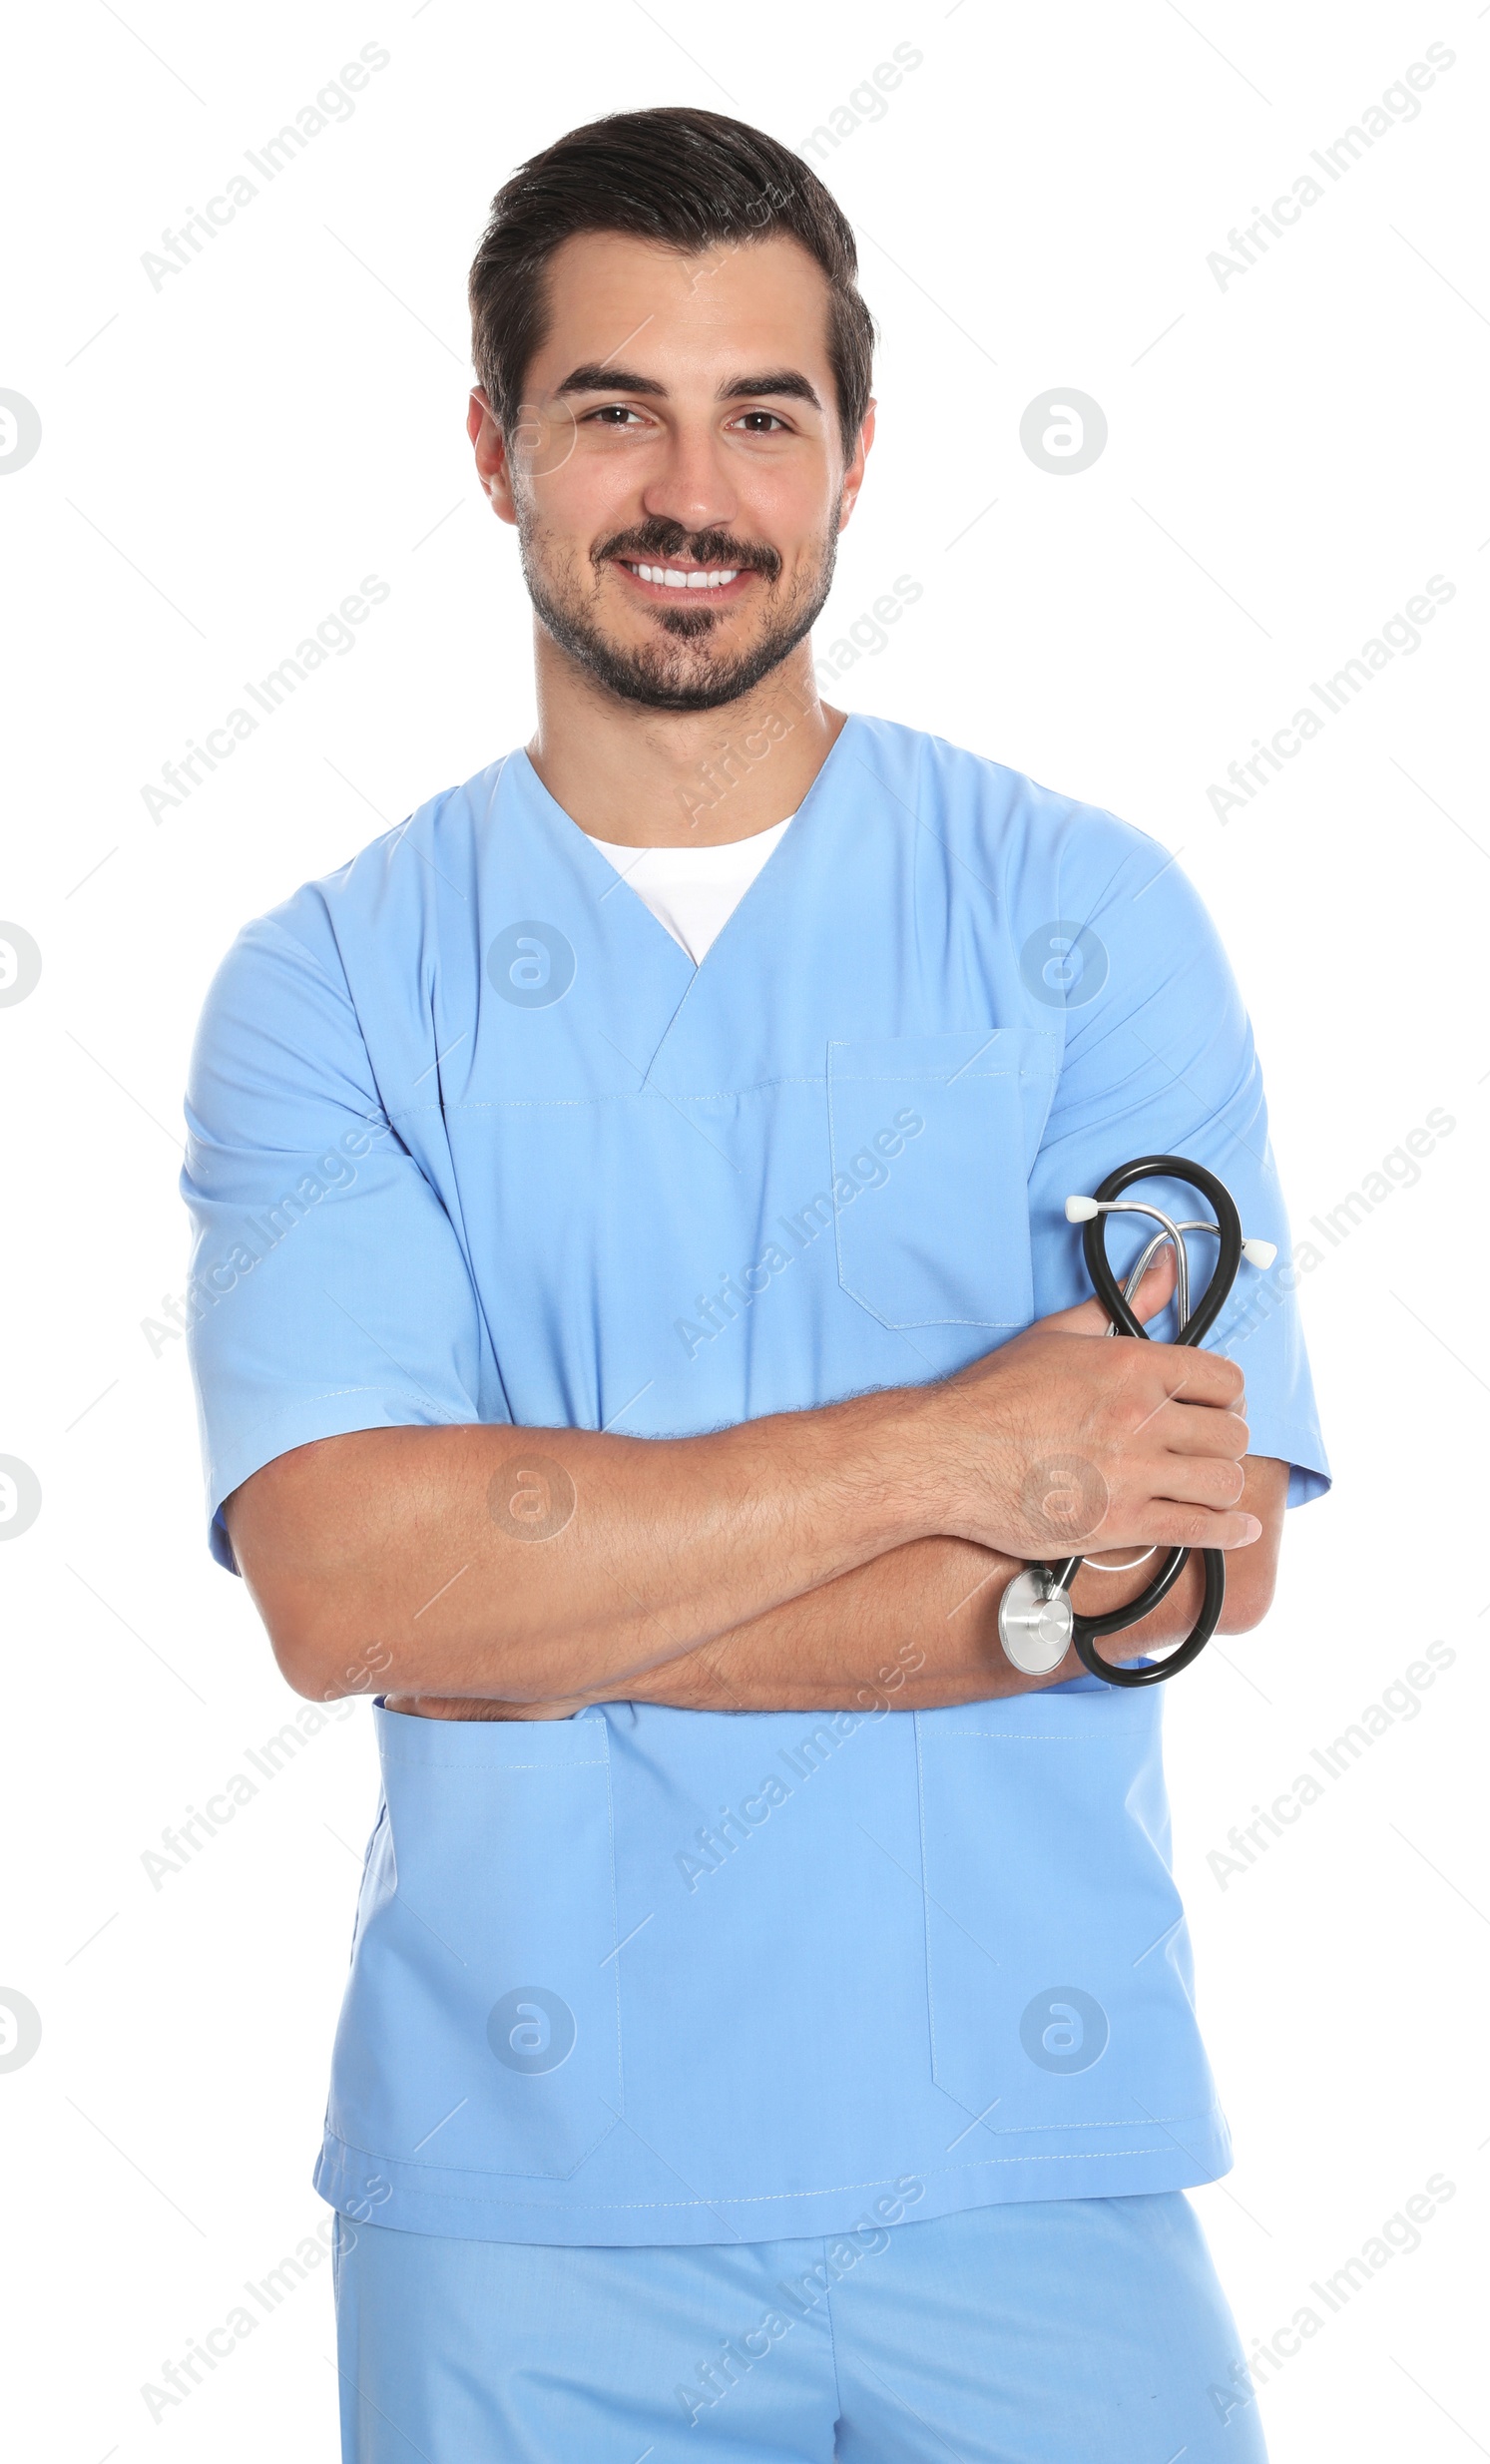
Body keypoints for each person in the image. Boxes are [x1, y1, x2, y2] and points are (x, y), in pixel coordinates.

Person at [181, 104, 1328, 2463]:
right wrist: (954, 1461)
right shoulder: (333, 988)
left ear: (856, 453)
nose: (686, 488)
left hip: (1032, 2172)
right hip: (520, 2221)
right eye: (613, 409)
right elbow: (337, 1583)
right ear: (494, 446)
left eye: (759, 413)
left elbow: (1189, 1555)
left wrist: (529, 1597)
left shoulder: (1081, 920)